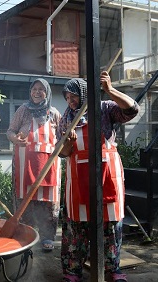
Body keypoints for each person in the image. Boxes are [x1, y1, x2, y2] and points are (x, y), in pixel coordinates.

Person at [58, 72, 139, 282]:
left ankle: (113, 269)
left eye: (73, 96)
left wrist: (110, 90)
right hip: (79, 178)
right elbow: (63, 153)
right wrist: (68, 141)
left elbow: (132, 110)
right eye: (67, 97)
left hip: (106, 175)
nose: (70, 100)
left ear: (83, 93)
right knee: (77, 225)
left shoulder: (105, 108)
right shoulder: (66, 118)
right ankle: (73, 271)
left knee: (110, 224)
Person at [6, 78, 61, 252]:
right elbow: (10, 131)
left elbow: (63, 136)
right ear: (30, 92)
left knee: (48, 202)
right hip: (24, 163)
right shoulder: (23, 110)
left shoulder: (54, 113)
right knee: (25, 200)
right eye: (34, 89)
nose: (37, 92)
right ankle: (25, 235)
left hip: (49, 163)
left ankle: (47, 236)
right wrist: (15, 138)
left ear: (47, 92)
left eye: (41, 89)